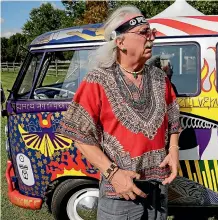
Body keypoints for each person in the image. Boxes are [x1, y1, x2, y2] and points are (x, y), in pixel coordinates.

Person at [56, 5, 181, 220]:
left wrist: (174, 149)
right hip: (119, 194)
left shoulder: (160, 78)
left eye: (152, 32)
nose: (151, 38)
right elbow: (79, 134)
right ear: (120, 42)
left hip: (158, 188)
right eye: (143, 33)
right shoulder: (97, 80)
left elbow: (174, 119)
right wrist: (114, 175)